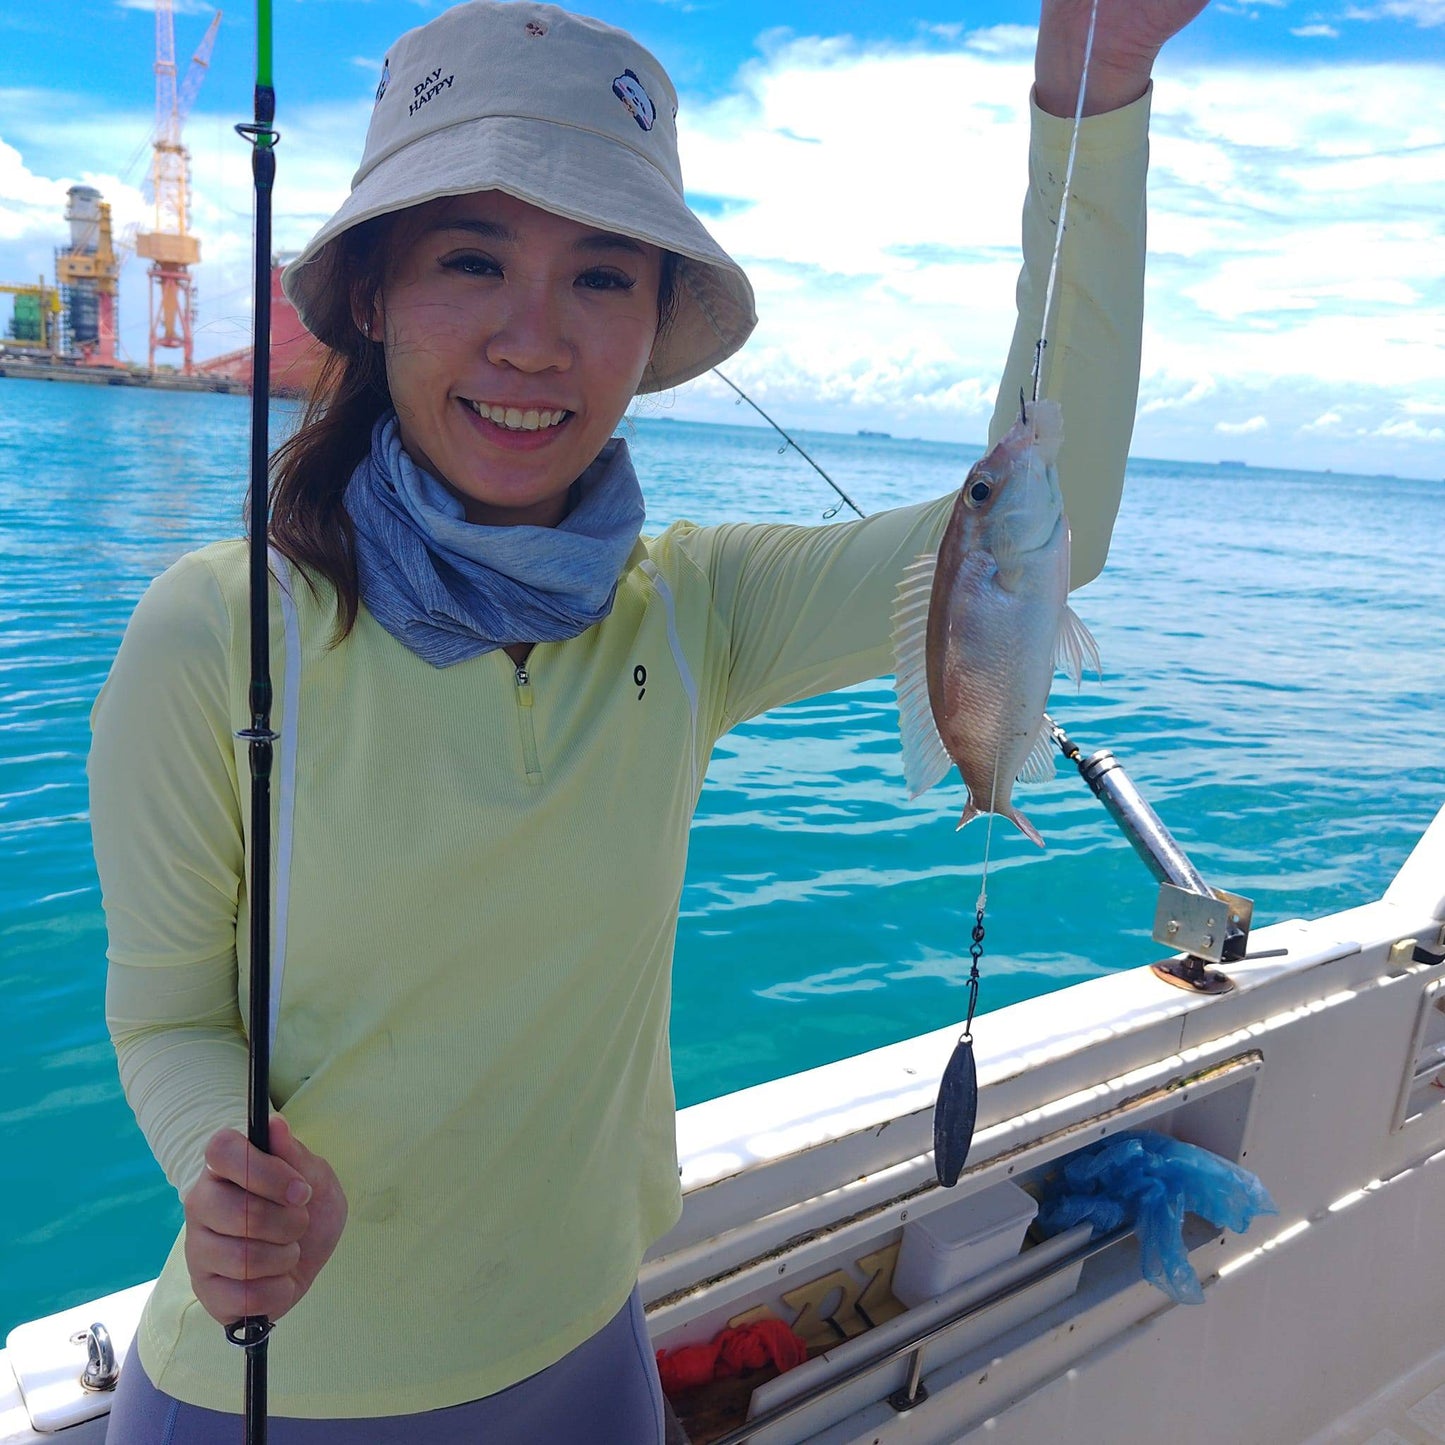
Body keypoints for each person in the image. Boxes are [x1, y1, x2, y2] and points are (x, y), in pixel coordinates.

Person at [90, 0, 1207, 1438]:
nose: (534, 339)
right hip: (271, 1385)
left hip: (587, 1351)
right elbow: (164, 1014)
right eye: (471, 260)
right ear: (371, 296)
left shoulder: (693, 610)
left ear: (652, 324)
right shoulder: (213, 631)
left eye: (600, 278)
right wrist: (219, 1164)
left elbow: (1048, 528)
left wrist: (1091, 93)